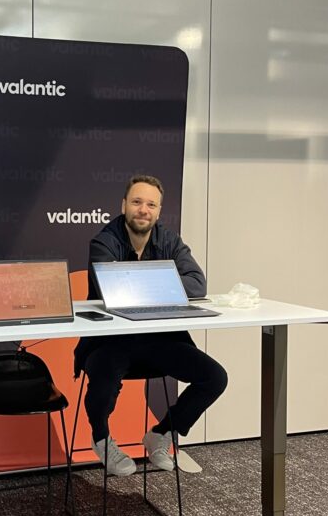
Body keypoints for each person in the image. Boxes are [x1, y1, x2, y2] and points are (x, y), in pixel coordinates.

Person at [74, 174, 228, 476]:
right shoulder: (103, 242)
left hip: (161, 340)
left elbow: (198, 284)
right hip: (111, 339)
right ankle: (101, 439)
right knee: (102, 380)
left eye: (151, 204)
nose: (143, 209)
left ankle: (161, 433)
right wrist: (163, 284)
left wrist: (136, 283)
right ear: (123, 206)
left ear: (158, 211)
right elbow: (112, 289)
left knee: (214, 378)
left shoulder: (169, 240)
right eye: (136, 202)